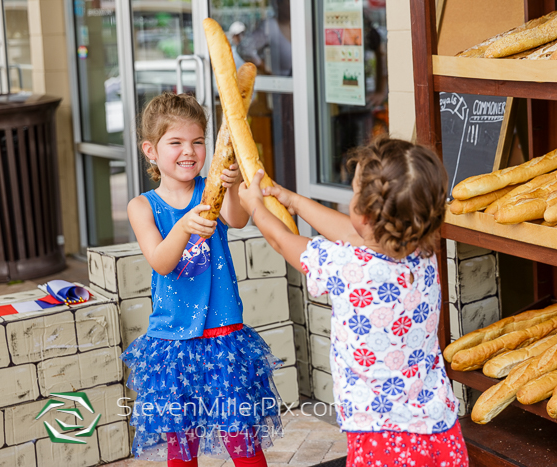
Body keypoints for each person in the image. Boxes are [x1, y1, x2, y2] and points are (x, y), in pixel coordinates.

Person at [237, 137, 469, 466]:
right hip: (438, 431)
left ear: (367, 213)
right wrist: (294, 201)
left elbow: (281, 240)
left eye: (354, 191)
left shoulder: (346, 265)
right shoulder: (422, 253)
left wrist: (256, 207)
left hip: (378, 439)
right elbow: (353, 232)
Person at [121, 92, 282, 467]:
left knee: (241, 436)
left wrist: (232, 183)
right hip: (172, 342)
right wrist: (184, 227)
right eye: (175, 142)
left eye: (197, 141)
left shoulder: (210, 190)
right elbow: (161, 262)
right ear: (150, 150)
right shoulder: (142, 206)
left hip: (224, 335)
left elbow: (238, 219)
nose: (189, 151)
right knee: (183, 443)